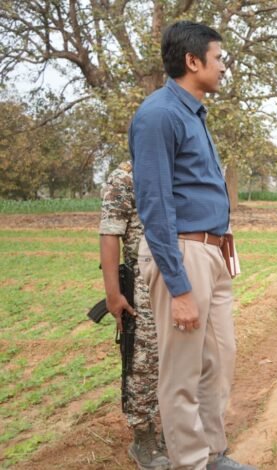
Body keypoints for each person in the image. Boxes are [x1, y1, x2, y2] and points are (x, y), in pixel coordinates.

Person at [131, 21, 253, 470]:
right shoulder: (159, 114)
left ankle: (215, 453)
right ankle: (190, 463)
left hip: (212, 252)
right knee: (182, 372)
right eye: (219, 59)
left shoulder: (194, 114)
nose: (223, 68)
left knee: (219, 360)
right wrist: (179, 287)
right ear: (193, 61)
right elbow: (155, 205)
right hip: (181, 252)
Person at [99, 161, 170, 470]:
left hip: (174, 279)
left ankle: (170, 428)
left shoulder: (173, 169)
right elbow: (109, 235)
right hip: (140, 284)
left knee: (175, 359)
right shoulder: (124, 176)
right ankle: (143, 436)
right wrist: (114, 294)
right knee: (142, 361)